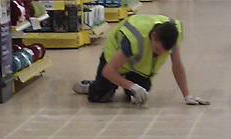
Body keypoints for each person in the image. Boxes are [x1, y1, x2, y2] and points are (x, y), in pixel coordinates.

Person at [72, 14, 208, 107]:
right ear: (153, 36)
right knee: (101, 96)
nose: (160, 55)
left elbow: (177, 65)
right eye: (157, 49)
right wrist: (132, 86)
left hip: (137, 67)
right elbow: (108, 70)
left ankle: (127, 84)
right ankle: (90, 86)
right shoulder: (134, 39)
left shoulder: (173, 35)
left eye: (164, 52)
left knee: (141, 94)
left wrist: (187, 95)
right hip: (114, 60)